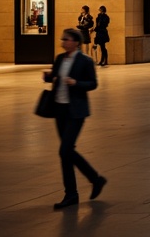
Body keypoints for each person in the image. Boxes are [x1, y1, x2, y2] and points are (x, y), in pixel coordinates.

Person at [44, 28, 106, 210]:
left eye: (67, 39)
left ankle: (89, 182)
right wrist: (49, 77)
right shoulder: (60, 59)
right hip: (60, 109)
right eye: (63, 39)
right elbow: (55, 77)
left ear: (76, 42)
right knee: (66, 151)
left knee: (65, 150)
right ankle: (75, 191)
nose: (63, 42)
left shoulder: (85, 61)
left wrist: (76, 83)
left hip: (76, 111)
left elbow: (93, 83)